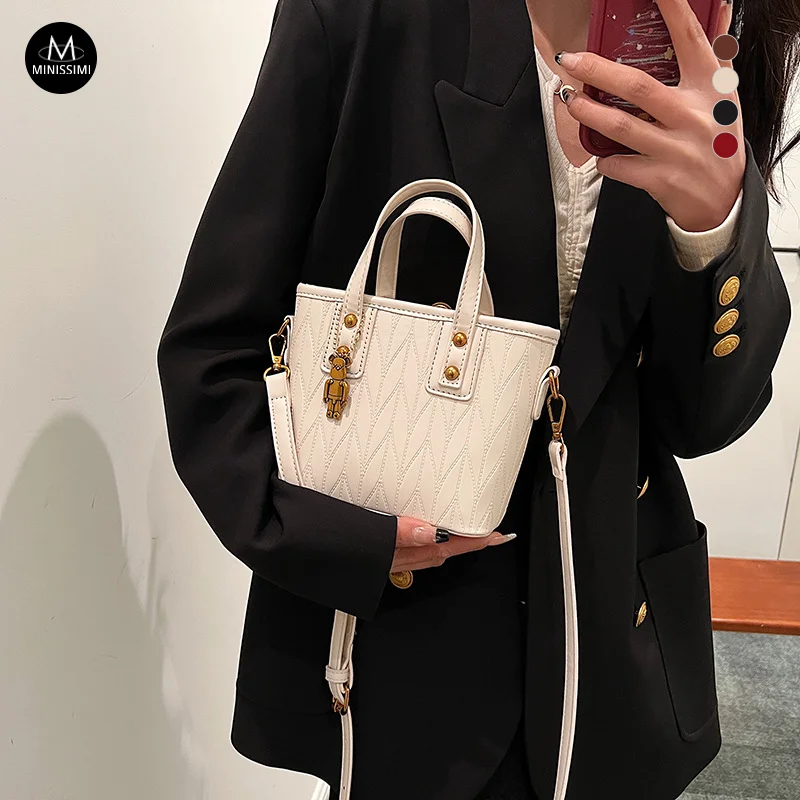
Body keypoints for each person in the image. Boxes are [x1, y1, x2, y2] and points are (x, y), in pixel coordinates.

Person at [156, 0, 796, 797]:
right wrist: (339, 539)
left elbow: (702, 420)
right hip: (406, 662)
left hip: (614, 668)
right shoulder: (365, 18)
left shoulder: (706, 45)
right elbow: (214, 354)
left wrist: (712, 232)